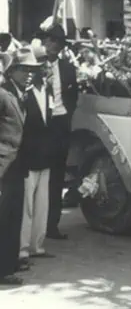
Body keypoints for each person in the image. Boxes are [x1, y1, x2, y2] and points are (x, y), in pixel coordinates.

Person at [4, 45, 52, 265]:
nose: (30, 74)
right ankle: (16, 255)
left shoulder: (40, 91)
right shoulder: (9, 93)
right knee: (17, 212)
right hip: (15, 161)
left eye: (33, 69)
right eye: (24, 69)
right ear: (12, 70)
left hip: (35, 158)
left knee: (28, 209)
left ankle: (25, 252)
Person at [37, 22, 78, 240]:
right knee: (37, 176)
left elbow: (73, 97)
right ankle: (34, 226)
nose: (52, 45)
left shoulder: (68, 68)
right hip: (42, 126)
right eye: (49, 40)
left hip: (60, 124)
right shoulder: (35, 66)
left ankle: (52, 224)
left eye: (57, 42)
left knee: (56, 176)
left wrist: (65, 115)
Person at [0, 51, 26, 285]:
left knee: (12, 217)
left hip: (15, 165)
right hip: (4, 165)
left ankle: (8, 265)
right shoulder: (2, 95)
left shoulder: (12, 94)